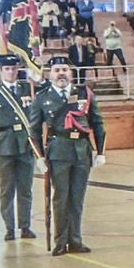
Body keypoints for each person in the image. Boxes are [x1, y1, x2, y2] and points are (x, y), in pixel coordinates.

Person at [36, 58, 105, 255]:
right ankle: (60, 241)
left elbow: (97, 123)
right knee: (61, 197)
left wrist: (100, 151)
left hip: (82, 151)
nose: (61, 73)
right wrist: (39, 156)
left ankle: (75, 240)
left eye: (65, 69)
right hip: (58, 152)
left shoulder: (84, 94)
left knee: (77, 198)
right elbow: (33, 129)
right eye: (57, 70)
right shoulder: (42, 97)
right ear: (50, 74)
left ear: (71, 73)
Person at [0, 54, 39, 241]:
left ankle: (25, 226)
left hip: (26, 145)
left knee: (25, 189)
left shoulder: (26, 89)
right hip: (4, 145)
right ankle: (9, 228)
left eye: (14, 68)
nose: (11, 72)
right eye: (7, 69)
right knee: (7, 190)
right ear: (0, 71)